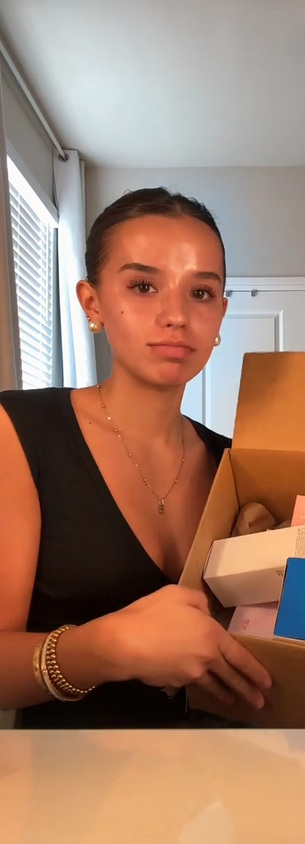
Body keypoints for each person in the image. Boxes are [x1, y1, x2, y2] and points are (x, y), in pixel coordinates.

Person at [0, 187, 271, 729]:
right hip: (75, 776)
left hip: (229, 769)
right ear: (92, 303)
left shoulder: (236, 464)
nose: (176, 315)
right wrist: (107, 648)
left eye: (201, 293)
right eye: (144, 286)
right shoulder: (20, 431)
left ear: (221, 314)